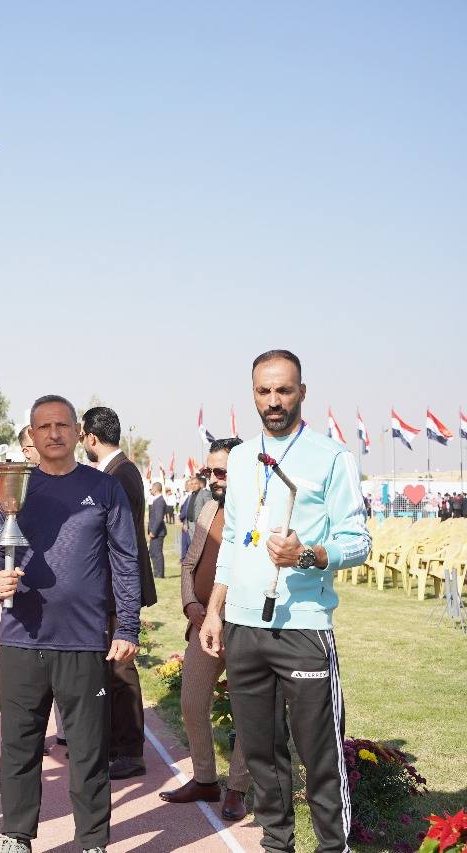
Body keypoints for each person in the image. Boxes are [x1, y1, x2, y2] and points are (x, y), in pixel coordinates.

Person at [200, 350, 370, 853]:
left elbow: (358, 541)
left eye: (283, 390)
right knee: (260, 753)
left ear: (302, 392)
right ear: (253, 394)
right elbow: (233, 541)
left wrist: (308, 555)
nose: (273, 401)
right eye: (263, 391)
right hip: (243, 627)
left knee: (319, 754)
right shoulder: (239, 457)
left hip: (304, 627)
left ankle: (333, 846)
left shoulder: (332, 457)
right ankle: (277, 843)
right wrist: (215, 611)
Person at [0, 395, 141, 853]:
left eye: (62, 425)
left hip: (84, 639)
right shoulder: (13, 485)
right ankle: (16, 836)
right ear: (31, 435)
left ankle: (92, 840)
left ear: (77, 432)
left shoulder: (104, 489)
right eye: (44, 426)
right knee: (19, 745)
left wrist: (127, 626)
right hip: (21, 636)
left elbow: (126, 561)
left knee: (89, 750)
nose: (54, 433)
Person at [160, 438, 250, 821]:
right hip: (203, 625)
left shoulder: (259, 513)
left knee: (247, 711)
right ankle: (205, 779)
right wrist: (190, 605)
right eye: (209, 471)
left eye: (221, 472)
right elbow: (187, 563)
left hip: (246, 627)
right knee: (192, 702)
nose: (213, 479)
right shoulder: (209, 508)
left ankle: (238, 789)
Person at [79, 406, 156, 779]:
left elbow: (118, 540)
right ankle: (114, 743)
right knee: (110, 670)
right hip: (111, 586)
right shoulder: (118, 471)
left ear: (91, 438)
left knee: (121, 669)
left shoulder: (120, 475)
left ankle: (129, 751)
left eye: (81, 436)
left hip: (117, 587)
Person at [148, 483, 166, 579]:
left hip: (158, 532)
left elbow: (159, 518)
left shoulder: (159, 501)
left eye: (151, 489)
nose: (150, 490)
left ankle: (159, 574)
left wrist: (153, 531)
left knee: (157, 553)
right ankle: (156, 572)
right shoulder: (157, 500)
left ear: (155, 489)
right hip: (155, 532)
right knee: (152, 552)